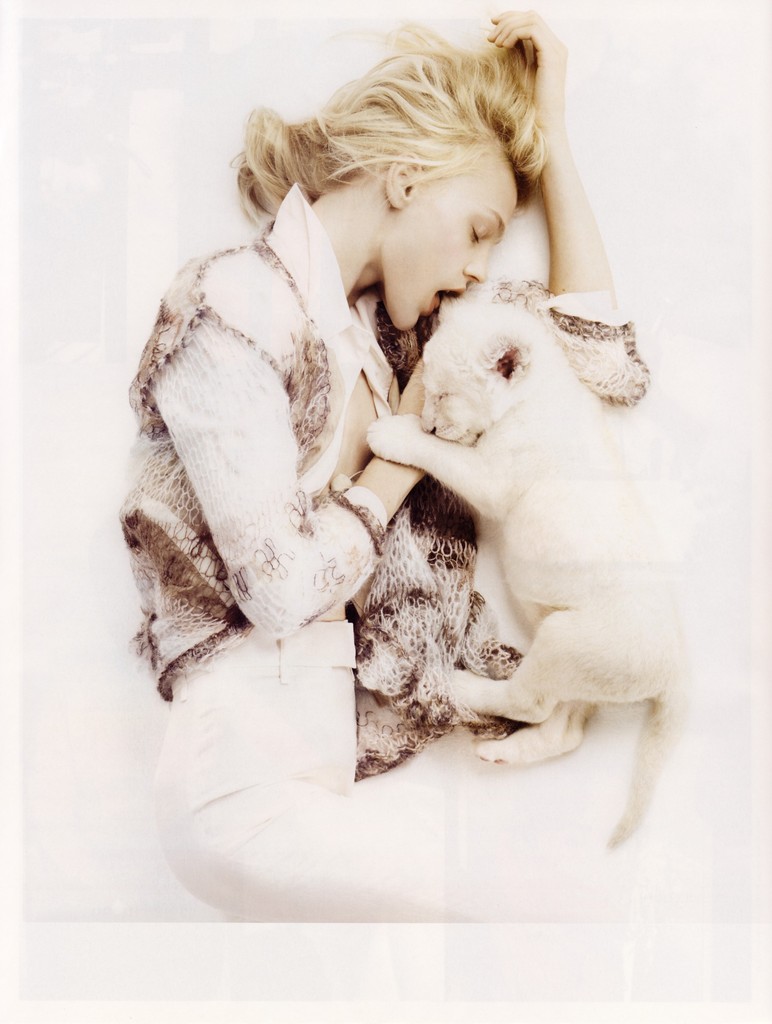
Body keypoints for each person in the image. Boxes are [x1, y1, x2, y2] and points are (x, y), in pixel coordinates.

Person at [121, 10, 622, 922]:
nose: (480, 268)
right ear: (405, 179)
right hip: (234, 790)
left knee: (527, 907)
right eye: (477, 229)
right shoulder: (232, 303)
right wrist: (404, 453)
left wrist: (551, 131)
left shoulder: (387, 346)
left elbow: (597, 356)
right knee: (528, 913)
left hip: (329, 770)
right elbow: (279, 588)